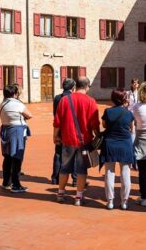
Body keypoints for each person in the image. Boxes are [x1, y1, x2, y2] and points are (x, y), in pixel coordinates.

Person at [53, 77, 100, 206]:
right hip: (84, 141)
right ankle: (78, 197)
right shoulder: (91, 101)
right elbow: (94, 123)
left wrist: (55, 136)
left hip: (67, 139)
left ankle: (61, 193)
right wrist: (97, 136)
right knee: (81, 169)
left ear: (76, 86)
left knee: (64, 168)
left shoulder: (64, 100)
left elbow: (57, 121)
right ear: (87, 86)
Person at [101, 88, 134, 210]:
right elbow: (132, 130)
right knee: (125, 173)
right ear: (124, 99)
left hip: (110, 144)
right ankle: (124, 201)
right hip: (125, 143)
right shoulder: (128, 113)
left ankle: (110, 200)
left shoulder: (108, 112)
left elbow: (104, 125)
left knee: (109, 173)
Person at [0, 85, 33, 193]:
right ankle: (16, 184)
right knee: (17, 157)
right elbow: (29, 115)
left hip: (6, 129)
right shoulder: (16, 103)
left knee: (8, 157)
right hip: (17, 131)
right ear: (14, 93)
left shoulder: (2, 103)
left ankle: (6, 182)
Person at [51, 78, 77, 185]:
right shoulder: (74, 98)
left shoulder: (57, 98)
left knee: (58, 153)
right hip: (72, 129)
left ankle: (55, 178)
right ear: (73, 88)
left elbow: (55, 114)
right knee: (75, 154)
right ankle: (75, 179)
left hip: (60, 128)